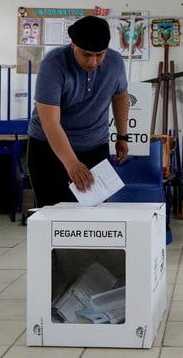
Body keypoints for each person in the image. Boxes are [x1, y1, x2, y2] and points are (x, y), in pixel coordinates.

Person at [26, 15, 129, 211]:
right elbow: (50, 122)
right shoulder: (53, 64)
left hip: (94, 146)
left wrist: (122, 135)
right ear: (73, 45)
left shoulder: (115, 62)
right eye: (86, 54)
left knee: (94, 215)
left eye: (100, 54)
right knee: (52, 214)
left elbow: (120, 96)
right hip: (48, 148)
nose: (93, 62)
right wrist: (72, 163)